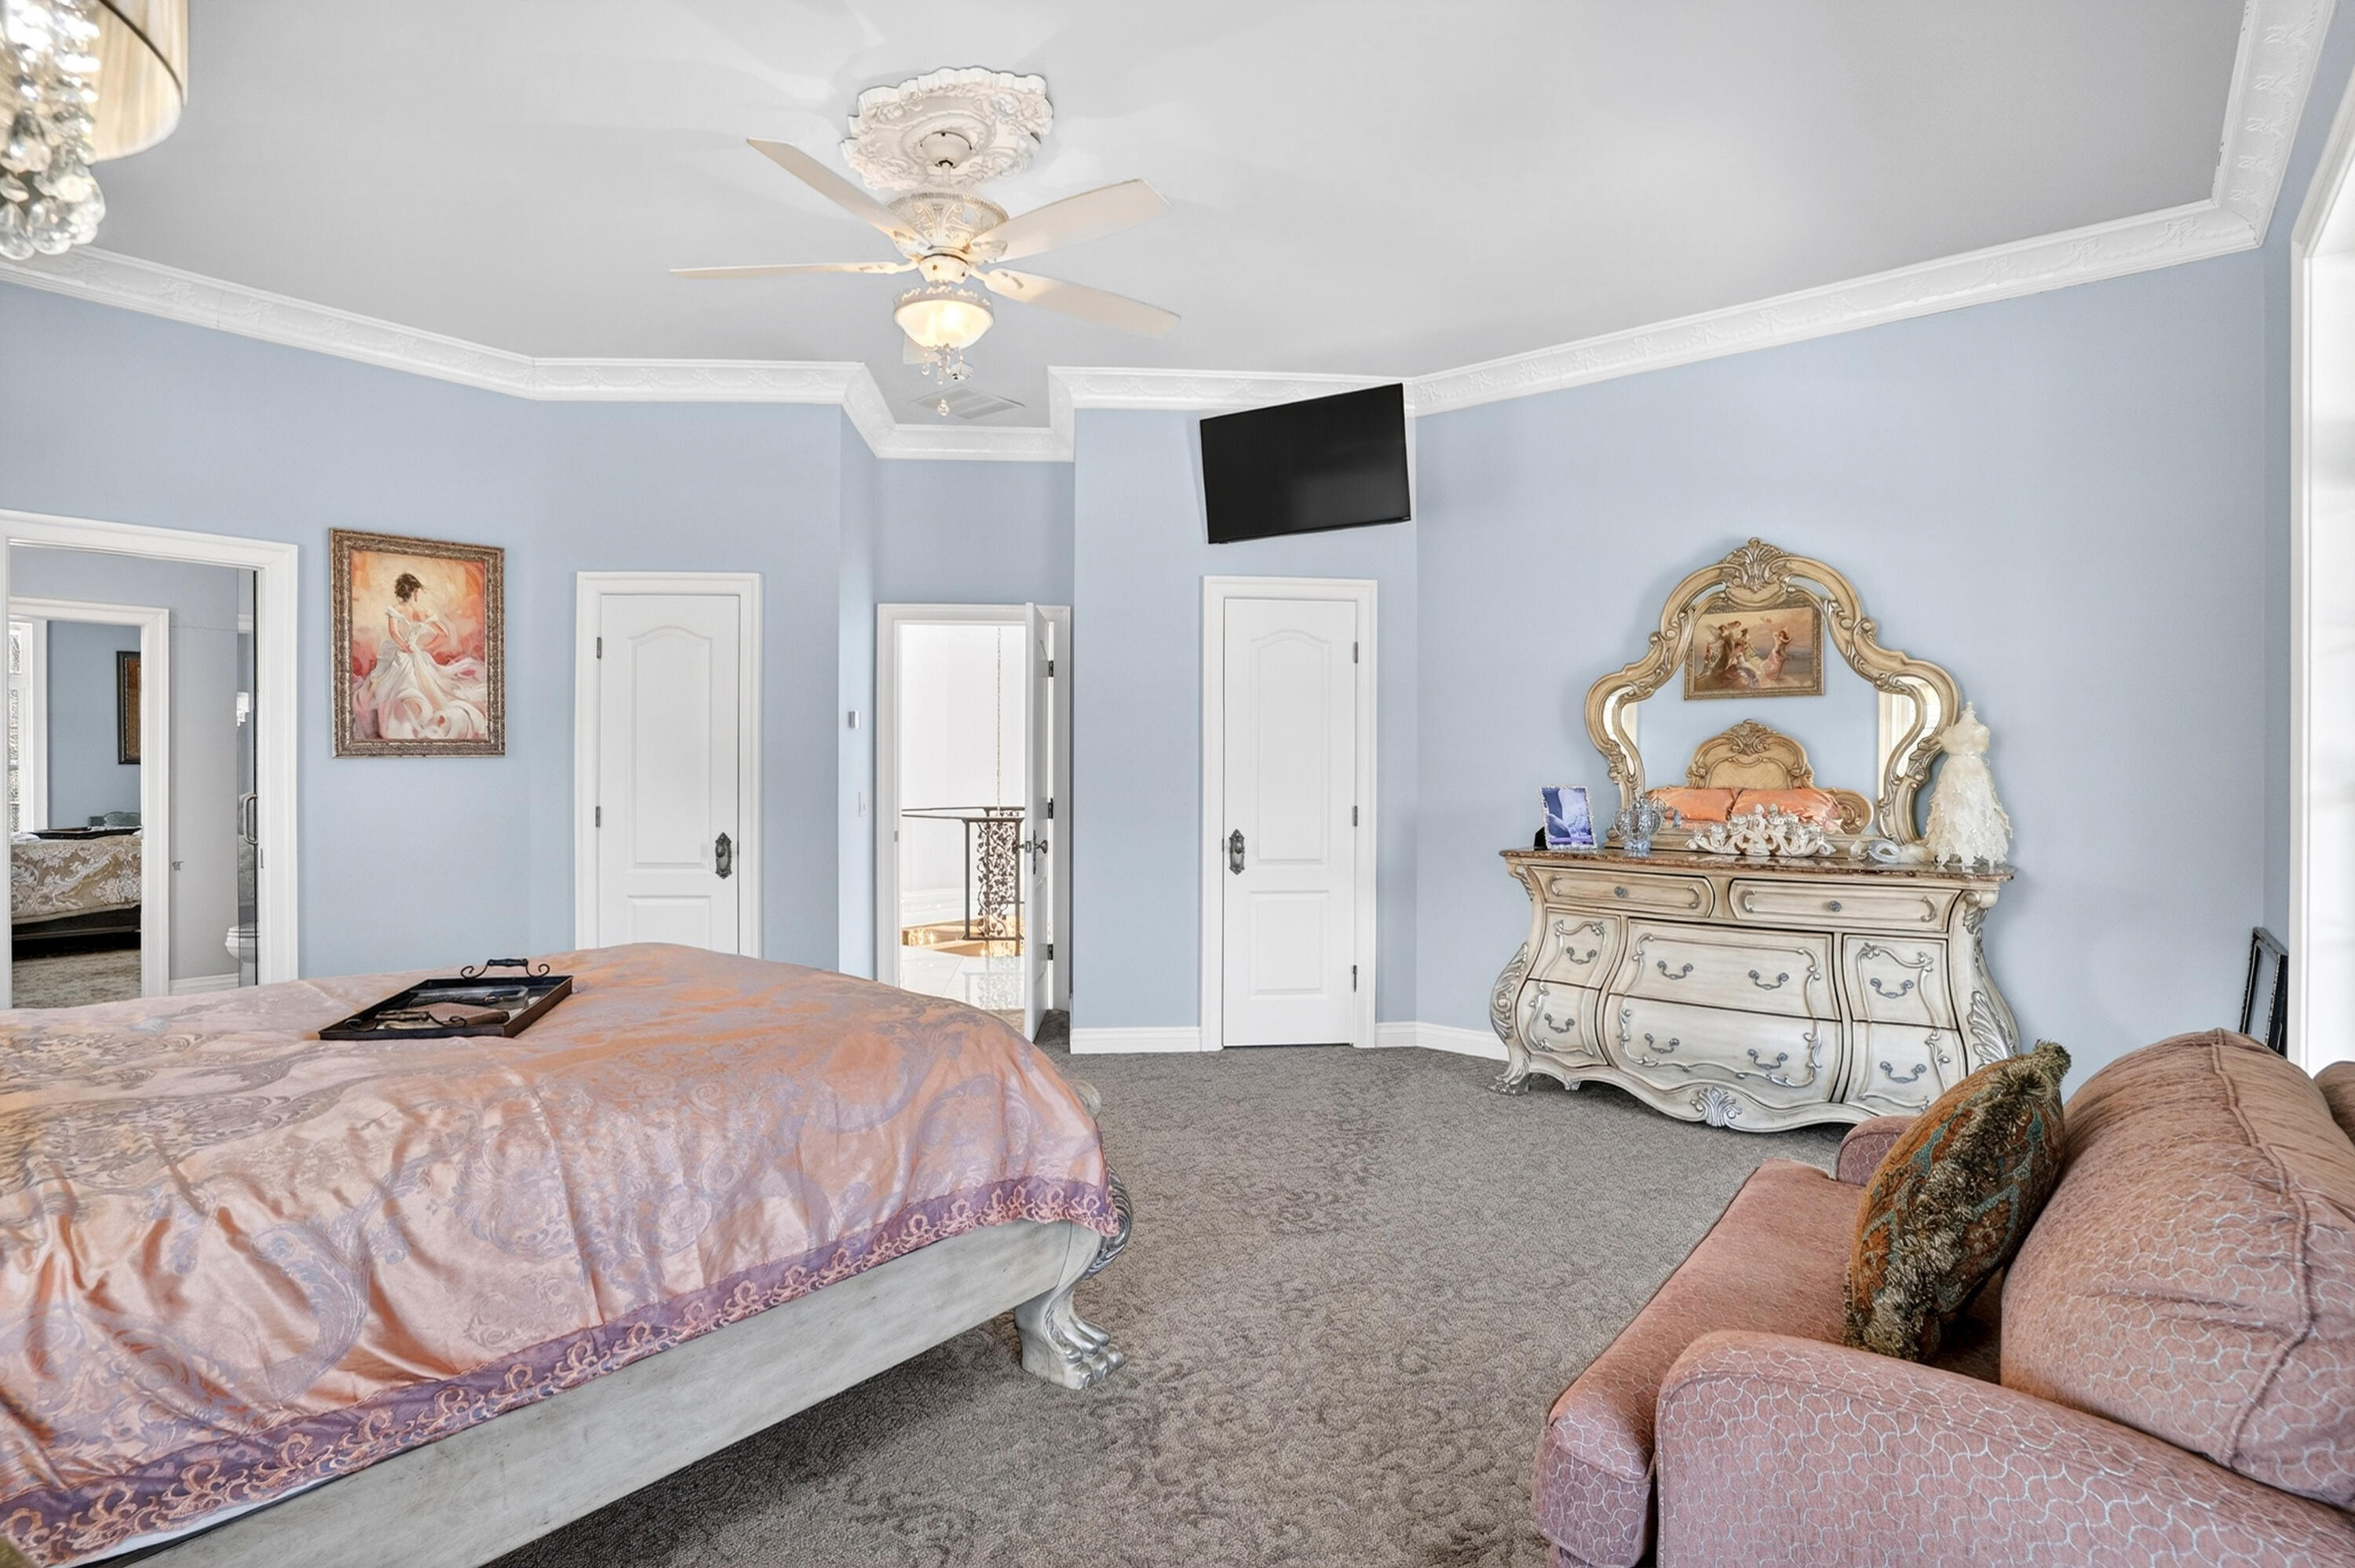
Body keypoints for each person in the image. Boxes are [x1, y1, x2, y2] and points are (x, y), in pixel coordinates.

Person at [352, 571, 490, 742]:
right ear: (415, 591)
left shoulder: (396, 610)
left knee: (391, 687)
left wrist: (405, 647)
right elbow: (443, 634)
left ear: (401, 592)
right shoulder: (423, 612)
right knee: (417, 687)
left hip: (400, 653)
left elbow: (394, 633)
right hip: (414, 652)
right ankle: (417, 720)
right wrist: (421, 648)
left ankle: (401, 724)